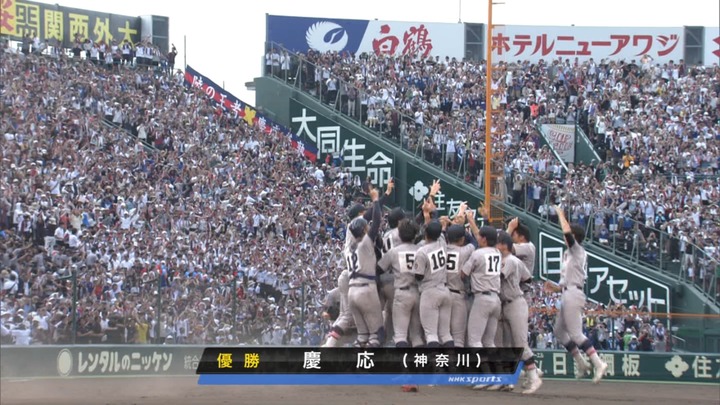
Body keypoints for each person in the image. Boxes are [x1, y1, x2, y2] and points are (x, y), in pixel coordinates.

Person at [544, 205, 608, 383]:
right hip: (567, 291)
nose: (566, 237)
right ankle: (581, 362)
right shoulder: (568, 254)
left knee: (576, 334)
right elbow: (567, 280)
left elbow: (567, 234)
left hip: (574, 293)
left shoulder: (577, 250)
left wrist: (560, 214)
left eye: (570, 234)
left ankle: (598, 363)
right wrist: (555, 288)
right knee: (559, 331)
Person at [497, 231, 542, 394]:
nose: (496, 246)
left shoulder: (509, 260)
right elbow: (527, 278)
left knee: (520, 343)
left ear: (503, 245)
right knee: (509, 345)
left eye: (498, 243)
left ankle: (534, 377)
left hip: (515, 303)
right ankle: (509, 380)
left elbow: (498, 277)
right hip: (507, 304)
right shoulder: (514, 261)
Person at [462, 225, 502, 390]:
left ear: (484, 239)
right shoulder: (497, 253)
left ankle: (486, 375)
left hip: (482, 299)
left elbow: (463, 273)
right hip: (496, 299)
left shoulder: (478, 253)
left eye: (480, 236)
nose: (478, 238)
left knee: (475, 340)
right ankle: (499, 376)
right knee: (489, 342)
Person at [345, 187, 383, 348]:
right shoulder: (366, 243)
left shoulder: (347, 249)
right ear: (364, 229)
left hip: (351, 291)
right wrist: (375, 200)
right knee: (377, 334)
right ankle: (373, 369)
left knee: (362, 336)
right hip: (366, 289)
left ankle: (356, 368)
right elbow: (377, 221)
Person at [413, 217, 453, 348]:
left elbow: (418, 276)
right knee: (446, 334)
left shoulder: (422, 251)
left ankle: (437, 367)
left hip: (430, 292)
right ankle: (451, 365)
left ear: (425, 234)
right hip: (445, 291)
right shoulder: (442, 243)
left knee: (431, 334)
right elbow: (440, 232)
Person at [378, 206, 405, 346]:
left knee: (388, 311)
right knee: (399, 316)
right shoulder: (400, 233)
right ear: (400, 221)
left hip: (385, 278)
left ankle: (384, 342)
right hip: (397, 278)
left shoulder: (386, 234)